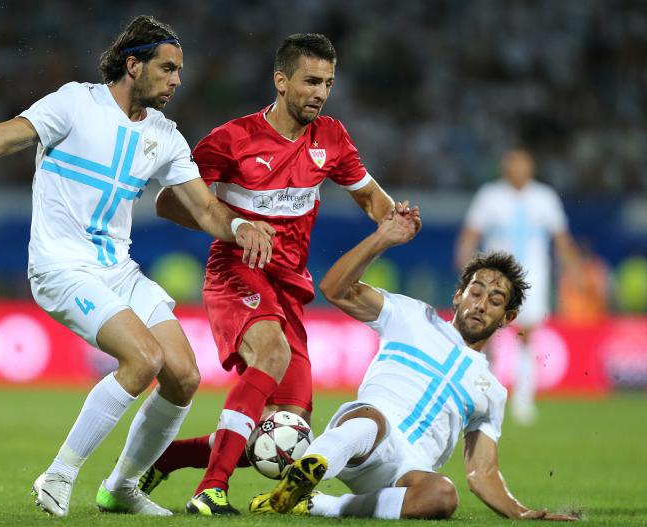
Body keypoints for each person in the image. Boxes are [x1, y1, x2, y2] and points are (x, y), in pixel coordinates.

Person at [0, 15, 273, 518]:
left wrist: (238, 227)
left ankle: (121, 487)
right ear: (132, 64)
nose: (177, 81)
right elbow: (0, 137)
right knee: (143, 359)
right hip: (61, 267)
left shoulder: (165, 136)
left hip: (117, 270)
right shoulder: (76, 103)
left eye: (179, 71)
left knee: (184, 376)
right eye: (167, 68)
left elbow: (206, 208)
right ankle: (58, 474)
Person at [150, 33, 395, 515]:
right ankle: (210, 489)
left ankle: (170, 456)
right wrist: (236, 226)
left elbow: (370, 196)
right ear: (281, 81)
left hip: (288, 286)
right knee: (272, 350)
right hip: (236, 271)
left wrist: (395, 218)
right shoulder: (230, 140)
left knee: (285, 433)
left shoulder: (332, 138)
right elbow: (166, 203)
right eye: (310, 81)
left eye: (327, 82)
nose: (320, 92)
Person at [250, 206, 578, 521]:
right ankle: (308, 468)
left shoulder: (492, 392)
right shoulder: (411, 316)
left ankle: (321, 505)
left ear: (508, 317)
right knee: (370, 419)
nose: (480, 305)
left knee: (444, 495)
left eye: (494, 301)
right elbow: (334, 289)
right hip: (366, 436)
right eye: (475, 293)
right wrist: (383, 238)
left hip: (406, 471)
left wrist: (521, 511)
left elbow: (482, 472)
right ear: (458, 295)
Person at [455, 148, 581, 425]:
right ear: (505, 168)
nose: (518, 170)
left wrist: (573, 269)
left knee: (526, 335)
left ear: (531, 168)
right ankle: (481, 395)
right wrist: (465, 264)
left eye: (523, 164)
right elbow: (470, 234)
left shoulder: (544, 198)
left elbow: (561, 238)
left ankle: (523, 401)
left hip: (533, 277)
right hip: (496, 278)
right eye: (513, 165)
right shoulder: (490, 196)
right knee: (484, 335)